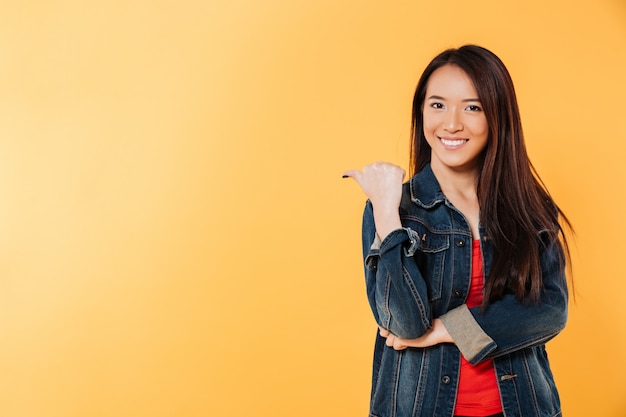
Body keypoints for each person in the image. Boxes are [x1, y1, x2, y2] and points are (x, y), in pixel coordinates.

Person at [343, 45, 572, 417]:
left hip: (521, 406)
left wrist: (445, 329)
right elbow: (403, 323)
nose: (451, 124)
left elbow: (550, 309)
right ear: (421, 112)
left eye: (472, 107)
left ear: (498, 116)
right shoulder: (393, 209)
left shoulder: (528, 208)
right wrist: (386, 211)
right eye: (437, 105)